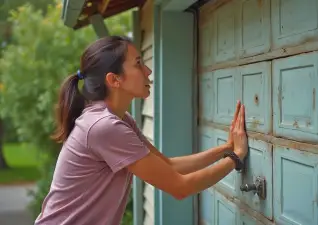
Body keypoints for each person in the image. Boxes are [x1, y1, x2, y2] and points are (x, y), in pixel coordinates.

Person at [34, 35, 248, 225]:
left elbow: (170, 166)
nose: (148, 70)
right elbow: (180, 187)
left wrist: (227, 149)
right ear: (114, 79)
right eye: (138, 64)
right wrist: (236, 157)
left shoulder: (120, 120)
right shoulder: (103, 127)